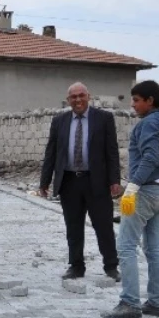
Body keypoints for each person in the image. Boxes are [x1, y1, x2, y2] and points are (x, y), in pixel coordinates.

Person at [103, 80, 159, 318]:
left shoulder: (147, 125)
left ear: (150, 101)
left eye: (136, 100)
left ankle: (130, 303)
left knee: (126, 246)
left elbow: (150, 157)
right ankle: (157, 302)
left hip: (143, 191)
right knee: (154, 248)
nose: (133, 105)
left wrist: (133, 186)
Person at [39, 82, 122, 281]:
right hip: (69, 181)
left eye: (81, 95)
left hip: (97, 181)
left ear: (88, 96)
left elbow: (112, 151)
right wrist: (44, 180)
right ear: (68, 100)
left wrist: (114, 180)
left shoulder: (104, 119)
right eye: (73, 97)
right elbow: (51, 152)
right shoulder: (59, 121)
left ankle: (111, 266)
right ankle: (76, 266)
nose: (77, 100)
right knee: (73, 227)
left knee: (103, 225)